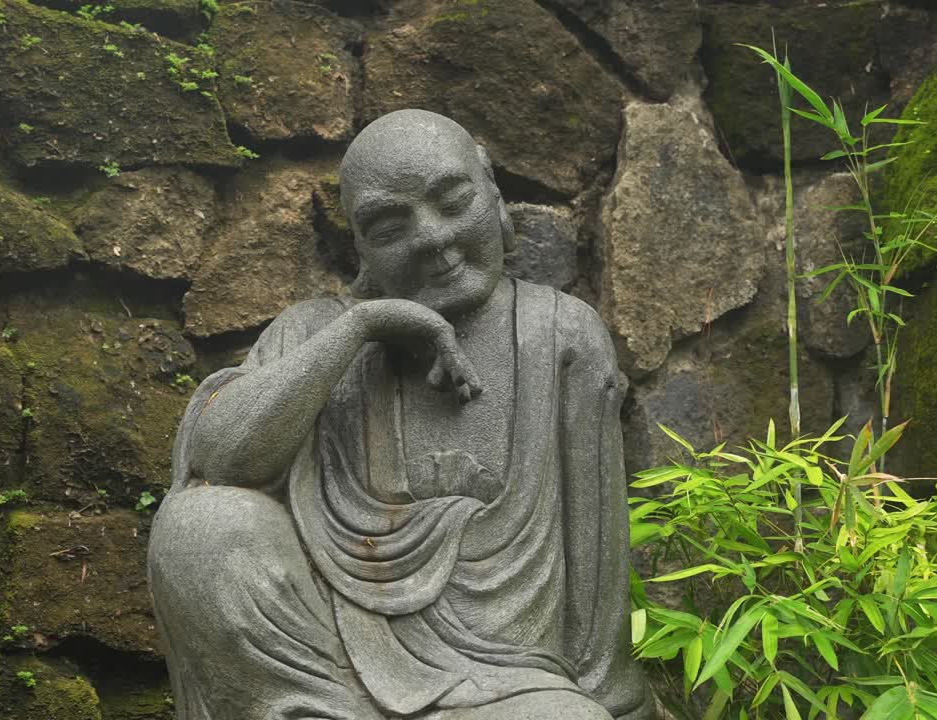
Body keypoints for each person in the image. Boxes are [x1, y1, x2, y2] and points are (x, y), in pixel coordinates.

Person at [147, 109, 655, 720]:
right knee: (199, 524)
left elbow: (593, 582)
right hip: (327, 679)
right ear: (359, 247)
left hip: (502, 683)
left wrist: (608, 704)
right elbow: (219, 459)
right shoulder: (313, 333)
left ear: (493, 195)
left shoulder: (560, 335)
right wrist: (362, 325)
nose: (433, 239)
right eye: (390, 227)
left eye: (453, 201)